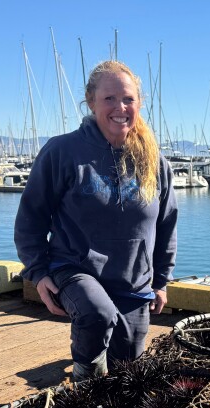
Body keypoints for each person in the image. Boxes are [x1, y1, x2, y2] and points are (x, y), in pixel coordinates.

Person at [14, 60, 177, 381]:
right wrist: (38, 271)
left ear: (139, 104)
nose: (120, 107)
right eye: (109, 99)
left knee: (127, 374)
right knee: (97, 315)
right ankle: (84, 379)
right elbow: (31, 218)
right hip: (75, 269)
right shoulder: (62, 151)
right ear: (90, 101)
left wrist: (161, 281)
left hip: (132, 282)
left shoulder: (154, 161)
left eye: (128, 99)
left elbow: (166, 225)